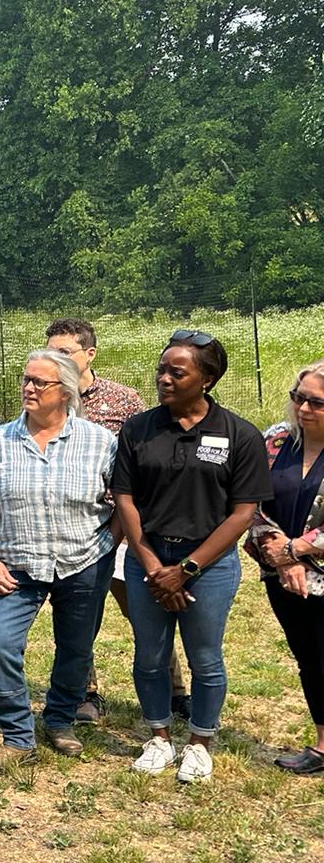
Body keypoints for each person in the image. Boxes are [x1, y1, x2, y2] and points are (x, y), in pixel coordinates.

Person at [113, 331, 272, 783]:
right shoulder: (139, 428)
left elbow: (243, 514)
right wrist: (152, 567)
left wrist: (186, 570)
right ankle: (159, 737)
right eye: (161, 369)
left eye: (176, 372)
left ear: (207, 378)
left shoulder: (239, 435)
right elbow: (125, 501)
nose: (164, 378)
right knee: (149, 655)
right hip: (148, 560)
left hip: (209, 566)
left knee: (205, 658)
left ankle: (200, 741)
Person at [0, 352, 118, 769]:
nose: (28, 388)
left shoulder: (100, 442)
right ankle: (18, 736)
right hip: (17, 565)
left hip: (84, 560)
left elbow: (123, 500)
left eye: (40, 382)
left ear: (66, 392)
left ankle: (59, 719)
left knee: (76, 647)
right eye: (26, 379)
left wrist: (109, 544)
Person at [45, 317, 191, 724]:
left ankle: (175, 690)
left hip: (125, 528)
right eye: (51, 351)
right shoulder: (47, 396)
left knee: (145, 612)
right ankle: (84, 693)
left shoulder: (123, 400)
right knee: (79, 618)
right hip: (74, 530)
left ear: (89, 354)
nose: (57, 360)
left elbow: (147, 459)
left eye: (65, 352)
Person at [245, 361, 324, 774]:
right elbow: (248, 501)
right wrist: (280, 555)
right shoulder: (274, 440)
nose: (303, 408)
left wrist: (298, 548)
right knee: (308, 657)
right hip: (281, 573)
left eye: (316, 402)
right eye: (299, 398)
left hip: (311, 567)